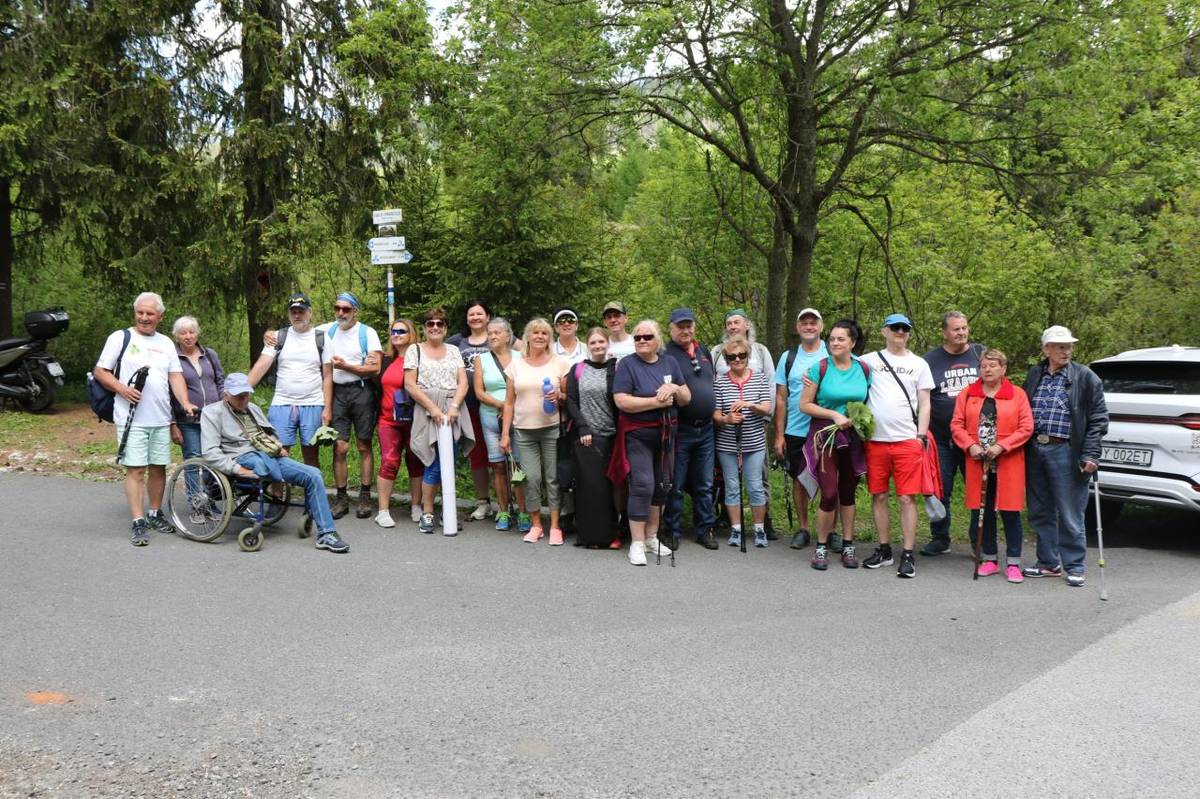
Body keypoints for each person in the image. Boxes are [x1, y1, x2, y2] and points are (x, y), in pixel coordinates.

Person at [200, 373, 349, 553]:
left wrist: (277, 447)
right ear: (226, 395)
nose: (244, 399)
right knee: (261, 464)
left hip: (268, 455)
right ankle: (276, 482)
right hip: (239, 456)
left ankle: (327, 533)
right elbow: (210, 452)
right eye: (239, 396)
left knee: (313, 474)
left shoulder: (253, 408)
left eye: (246, 394)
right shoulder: (212, 412)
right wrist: (236, 468)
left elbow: (269, 433)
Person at [94, 292, 198, 545]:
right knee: (136, 469)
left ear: (159, 317)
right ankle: (138, 520)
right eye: (140, 312)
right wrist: (122, 389)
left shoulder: (165, 344)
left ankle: (154, 512)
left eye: (150, 314)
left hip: (161, 418)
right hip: (132, 419)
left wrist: (184, 402)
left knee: (158, 468)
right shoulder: (120, 338)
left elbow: (175, 376)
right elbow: (100, 371)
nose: (144, 317)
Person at [1021, 326, 1108, 587]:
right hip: (1035, 450)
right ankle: (1048, 563)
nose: (1066, 351)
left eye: (1069, 346)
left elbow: (1098, 419)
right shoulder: (1035, 374)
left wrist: (1091, 453)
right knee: (1039, 510)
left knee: (1070, 512)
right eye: (1060, 346)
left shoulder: (1085, 377)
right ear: (1046, 348)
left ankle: (1075, 565)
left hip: (1066, 451)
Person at [610, 320, 692, 566]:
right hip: (638, 434)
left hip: (667, 435)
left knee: (662, 485)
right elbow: (622, 401)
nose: (642, 341)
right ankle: (635, 543)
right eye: (637, 338)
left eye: (647, 337)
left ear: (657, 340)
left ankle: (651, 537)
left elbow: (686, 399)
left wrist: (674, 388)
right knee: (643, 484)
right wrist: (657, 402)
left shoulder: (670, 363)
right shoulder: (627, 365)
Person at [861, 313, 934, 578]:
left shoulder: (919, 364)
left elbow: (924, 401)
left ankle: (907, 553)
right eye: (895, 328)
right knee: (878, 495)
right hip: (876, 440)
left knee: (906, 498)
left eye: (904, 329)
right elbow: (846, 375)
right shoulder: (868, 361)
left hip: (907, 440)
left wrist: (921, 435)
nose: (900, 332)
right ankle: (883, 549)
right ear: (884, 331)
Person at [950, 349, 1033, 582]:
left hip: (1007, 459)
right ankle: (989, 559)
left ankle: (1014, 562)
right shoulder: (968, 393)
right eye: (984, 365)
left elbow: (1026, 427)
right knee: (982, 510)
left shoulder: (1017, 394)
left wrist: (1002, 446)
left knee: (1010, 510)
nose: (987, 369)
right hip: (978, 461)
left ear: (1003, 369)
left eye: (993, 365)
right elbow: (956, 425)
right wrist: (970, 445)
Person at [797, 320, 871, 570]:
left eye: (841, 339)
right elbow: (804, 404)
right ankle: (821, 545)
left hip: (853, 437)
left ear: (852, 342)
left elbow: (867, 401)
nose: (835, 343)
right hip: (825, 435)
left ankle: (848, 544)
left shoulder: (864, 369)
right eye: (832, 339)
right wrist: (834, 415)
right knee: (829, 493)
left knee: (848, 492)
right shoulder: (819, 367)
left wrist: (860, 420)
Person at [921, 311, 986, 556]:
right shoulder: (929, 360)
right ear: (944, 332)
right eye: (956, 329)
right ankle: (940, 537)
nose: (961, 332)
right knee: (941, 489)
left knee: (976, 490)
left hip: (976, 440)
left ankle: (977, 541)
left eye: (964, 328)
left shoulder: (980, 354)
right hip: (941, 439)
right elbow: (922, 397)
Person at [501, 318, 571, 545]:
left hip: (551, 428)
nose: (540, 336)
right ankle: (536, 525)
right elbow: (509, 403)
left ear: (549, 338)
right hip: (523, 431)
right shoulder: (515, 365)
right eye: (535, 333)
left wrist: (559, 396)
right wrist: (504, 434)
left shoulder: (560, 363)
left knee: (552, 479)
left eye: (544, 333)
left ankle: (556, 526)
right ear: (527, 336)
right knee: (531, 479)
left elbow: (569, 398)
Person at [405, 307, 475, 535]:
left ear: (445, 328)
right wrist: (433, 408)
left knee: (449, 460)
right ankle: (427, 511)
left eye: (440, 324)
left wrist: (454, 406)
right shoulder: (414, 351)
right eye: (430, 324)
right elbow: (410, 384)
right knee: (432, 461)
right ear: (425, 327)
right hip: (427, 408)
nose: (435, 327)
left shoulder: (454, 350)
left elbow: (463, 382)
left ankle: (448, 511)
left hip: (453, 408)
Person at [247, 293, 330, 469]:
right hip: (282, 403)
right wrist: (243, 390)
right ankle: (278, 494)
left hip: (313, 403)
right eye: (293, 312)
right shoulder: (278, 336)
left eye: (301, 311)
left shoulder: (322, 338)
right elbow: (262, 364)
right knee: (278, 451)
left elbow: (328, 375)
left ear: (310, 313)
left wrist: (327, 408)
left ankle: (312, 494)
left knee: (311, 453)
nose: (297, 316)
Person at [320, 292, 383, 520]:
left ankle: (365, 495)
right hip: (338, 393)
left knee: (364, 446)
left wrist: (347, 366)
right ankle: (341, 497)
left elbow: (374, 368)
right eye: (337, 308)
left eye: (346, 309)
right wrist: (272, 335)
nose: (340, 313)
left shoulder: (368, 333)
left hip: (362, 391)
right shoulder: (330, 330)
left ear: (355, 310)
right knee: (340, 447)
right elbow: (301, 328)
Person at [662, 307, 719, 550]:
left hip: (706, 429)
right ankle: (672, 530)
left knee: (705, 483)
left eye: (688, 325)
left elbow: (711, 381)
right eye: (680, 326)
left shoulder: (703, 350)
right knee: (676, 483)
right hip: (681, 428)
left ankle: (704, 529)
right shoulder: (665, 354)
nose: (685, 330)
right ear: (671, 328)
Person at [773, 308, 829, 549]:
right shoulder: (789, 358)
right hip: (796, 429)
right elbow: (781, 398)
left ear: (821, 326)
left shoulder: (833, 351)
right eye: (804, 323)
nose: (808, 326)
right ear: (797, 328)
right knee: (799, 480)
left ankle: (830, 531)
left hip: (827, 429)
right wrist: (778, 435)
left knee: (830, 481)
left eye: (813, 322)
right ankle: (804, 528)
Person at [713, 335, 774, 547]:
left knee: (755, 485)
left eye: (742, 355)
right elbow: (716, 415)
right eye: (732, 357)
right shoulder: (719, 381)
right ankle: (736, 530)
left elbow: (767, 407)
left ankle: (759, 529)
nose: (737, 360)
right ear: (726, 359)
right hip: (728, 443)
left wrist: (749, 405)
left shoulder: (758, 378)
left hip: (754, 442)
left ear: (748, 356)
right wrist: (727, 418)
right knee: (731, 486)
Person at [565, 327, 619, 548]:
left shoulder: (616, 368)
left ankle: (612, 533)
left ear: (608, 344)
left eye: (601, 342)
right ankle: (590, 536)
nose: (598, 346)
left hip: (612, 436)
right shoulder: (577, 369)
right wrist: (583, 427)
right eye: (593, 343)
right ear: (588, 346)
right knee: (589, 487)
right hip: (587, 437)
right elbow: (571, 400)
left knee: (611, 488)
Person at [474, 317, 529, 532]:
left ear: (508, 335)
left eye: (497, 332)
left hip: (518, 418)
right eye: (490, 333)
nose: (493, 336)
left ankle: (523, 510)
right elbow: (479, 391)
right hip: (490, 417)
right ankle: (503, 509)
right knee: (497, 465)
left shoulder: (521, 357)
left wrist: (510, 408)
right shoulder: (482, 359)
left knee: (518, 467)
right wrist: (502, 404)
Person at [447, 299, 498, 522]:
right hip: (468, 406)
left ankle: (506, 503)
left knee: (499, 456)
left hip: (495, 405)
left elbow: (522, 350)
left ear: (488, 316)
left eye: (479, 314)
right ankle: (483, 502)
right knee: (477, 455)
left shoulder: (498, 337)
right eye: (471, 315)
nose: (475, 318)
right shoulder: (457, 341)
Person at [374, 318, 425, 528]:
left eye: (402, 331)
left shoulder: (422, 359)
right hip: (388, 420)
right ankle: (383, 510)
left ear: (411, 334)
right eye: (393, 331)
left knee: (416, 460)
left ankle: (416, 506)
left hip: (415, 418)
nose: (396, 335)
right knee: (389, 461)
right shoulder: (385, 360)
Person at [170, 315, 225, 463]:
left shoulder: (209, 355)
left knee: (214, 457)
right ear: (176, 337)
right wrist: (173, 424)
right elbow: (167, 394)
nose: (188, 336)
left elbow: (220, 382)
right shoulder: (172, 359)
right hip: (188, 420)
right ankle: (193, 488)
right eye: (183, 333)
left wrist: (225, 407)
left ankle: (210, 487)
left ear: (197, 333)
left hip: (214, 417)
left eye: (191, 332)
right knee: (193, 458)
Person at [712, 308, 775, 378]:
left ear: (747, 325)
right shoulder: (717, 351)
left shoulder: (760, 350)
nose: (732, 327)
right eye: (729, 324)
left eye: (736, 322)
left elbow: (771, 381)